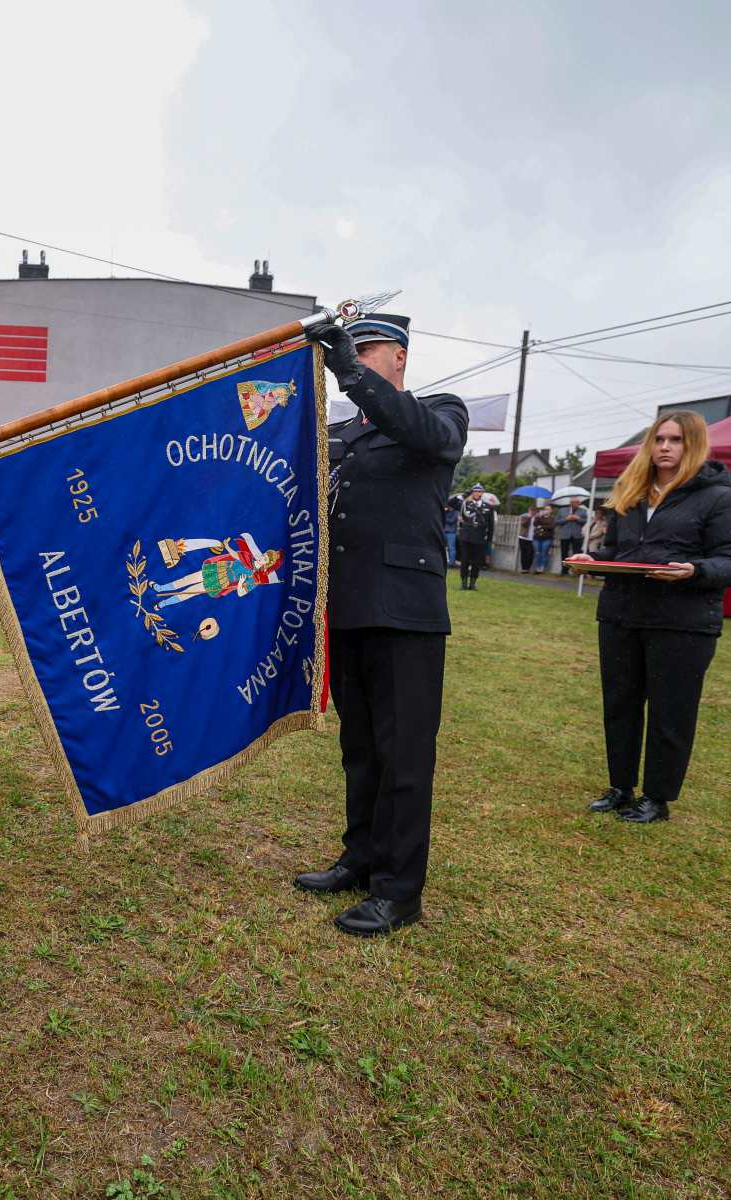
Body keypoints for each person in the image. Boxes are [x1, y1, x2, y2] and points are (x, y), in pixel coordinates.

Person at [293, 312, 467, 937]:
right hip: (350, 606)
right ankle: (361, 858)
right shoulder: (347, 432)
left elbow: (414, 429)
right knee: (361, 748)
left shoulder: (439, 412)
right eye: (352, 349)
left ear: (400, 357)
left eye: (368, 348)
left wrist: (348, 371)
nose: (358, 357)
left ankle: (398, 892)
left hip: (405, 612)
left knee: (404, 756)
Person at [567, 410, 731, 824]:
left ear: (694, 445)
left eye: (676, 440)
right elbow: (621, 554)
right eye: (659, 439)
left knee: (671, 711)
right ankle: (621, 787)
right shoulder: (631, 492)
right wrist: (592, 560)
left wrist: (694, 570)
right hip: (622, 615)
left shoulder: (719, 498)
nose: (665, 447)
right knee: (620, 705)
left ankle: (657, 798)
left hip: (682, 621)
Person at [455, 484, 493, 589]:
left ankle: (472, 583)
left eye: (479, 491)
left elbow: (491, 525)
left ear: (482, 493)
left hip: (480, 538)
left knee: (477, 562)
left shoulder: (488, 507)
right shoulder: (465, 504)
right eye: (475, 491)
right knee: (465, 560)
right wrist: (464, 495)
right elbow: (451, 503)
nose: (477, 493)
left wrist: (489, 540)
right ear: (472, 493)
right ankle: (463, 582)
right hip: (467, 537)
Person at [555, 497, 586, 574]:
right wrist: (566, 519)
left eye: (577, 502)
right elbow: (557, 521)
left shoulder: (583, 511)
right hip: (565, 535)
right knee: (564, 552)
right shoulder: (562, 510)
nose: (575, 504)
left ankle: (576, 570)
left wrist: (577, 518)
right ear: (570, 503)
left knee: (577, 553)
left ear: (579, 503)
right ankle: (564, 570)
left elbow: (585, 521)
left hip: (577, 535)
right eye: (573, 502)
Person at [529, 500, 555, 574]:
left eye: (548, 509)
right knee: (537, 552)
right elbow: (535, 524)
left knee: (544, 552)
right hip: (537, 537)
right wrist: (539, 516)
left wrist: (541, 526)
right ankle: (538, 567)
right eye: (545, 509)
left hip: (547, 538)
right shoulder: (539, 517)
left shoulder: (552, 518)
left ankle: (542, 567)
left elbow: (551, 526)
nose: (546, 510)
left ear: (551, 511)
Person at [441, 494, 459, 567]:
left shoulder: (456, 512)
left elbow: (451, 521)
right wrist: (444, 512)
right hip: (443, 531)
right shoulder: (446, 512)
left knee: (451, 548)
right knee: (442, 547)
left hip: (451, 532)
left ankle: (452, 562)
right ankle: (443, 561)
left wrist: (444, 515)